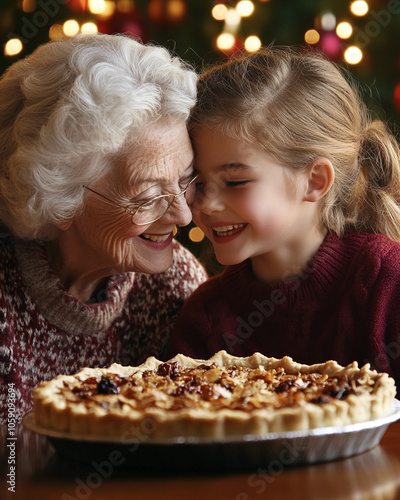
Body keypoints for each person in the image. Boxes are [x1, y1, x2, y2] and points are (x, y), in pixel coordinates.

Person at [0, 33, 207, 423]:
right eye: (147, 198)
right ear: (60, 198)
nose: (183, 216)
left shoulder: (174, 286)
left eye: (185, 180)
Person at [168, 46, 400, 391]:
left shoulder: (386, 280)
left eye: (234, 181)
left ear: (315, 181)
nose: (207, 205)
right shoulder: (205, 316)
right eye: (197, 183)